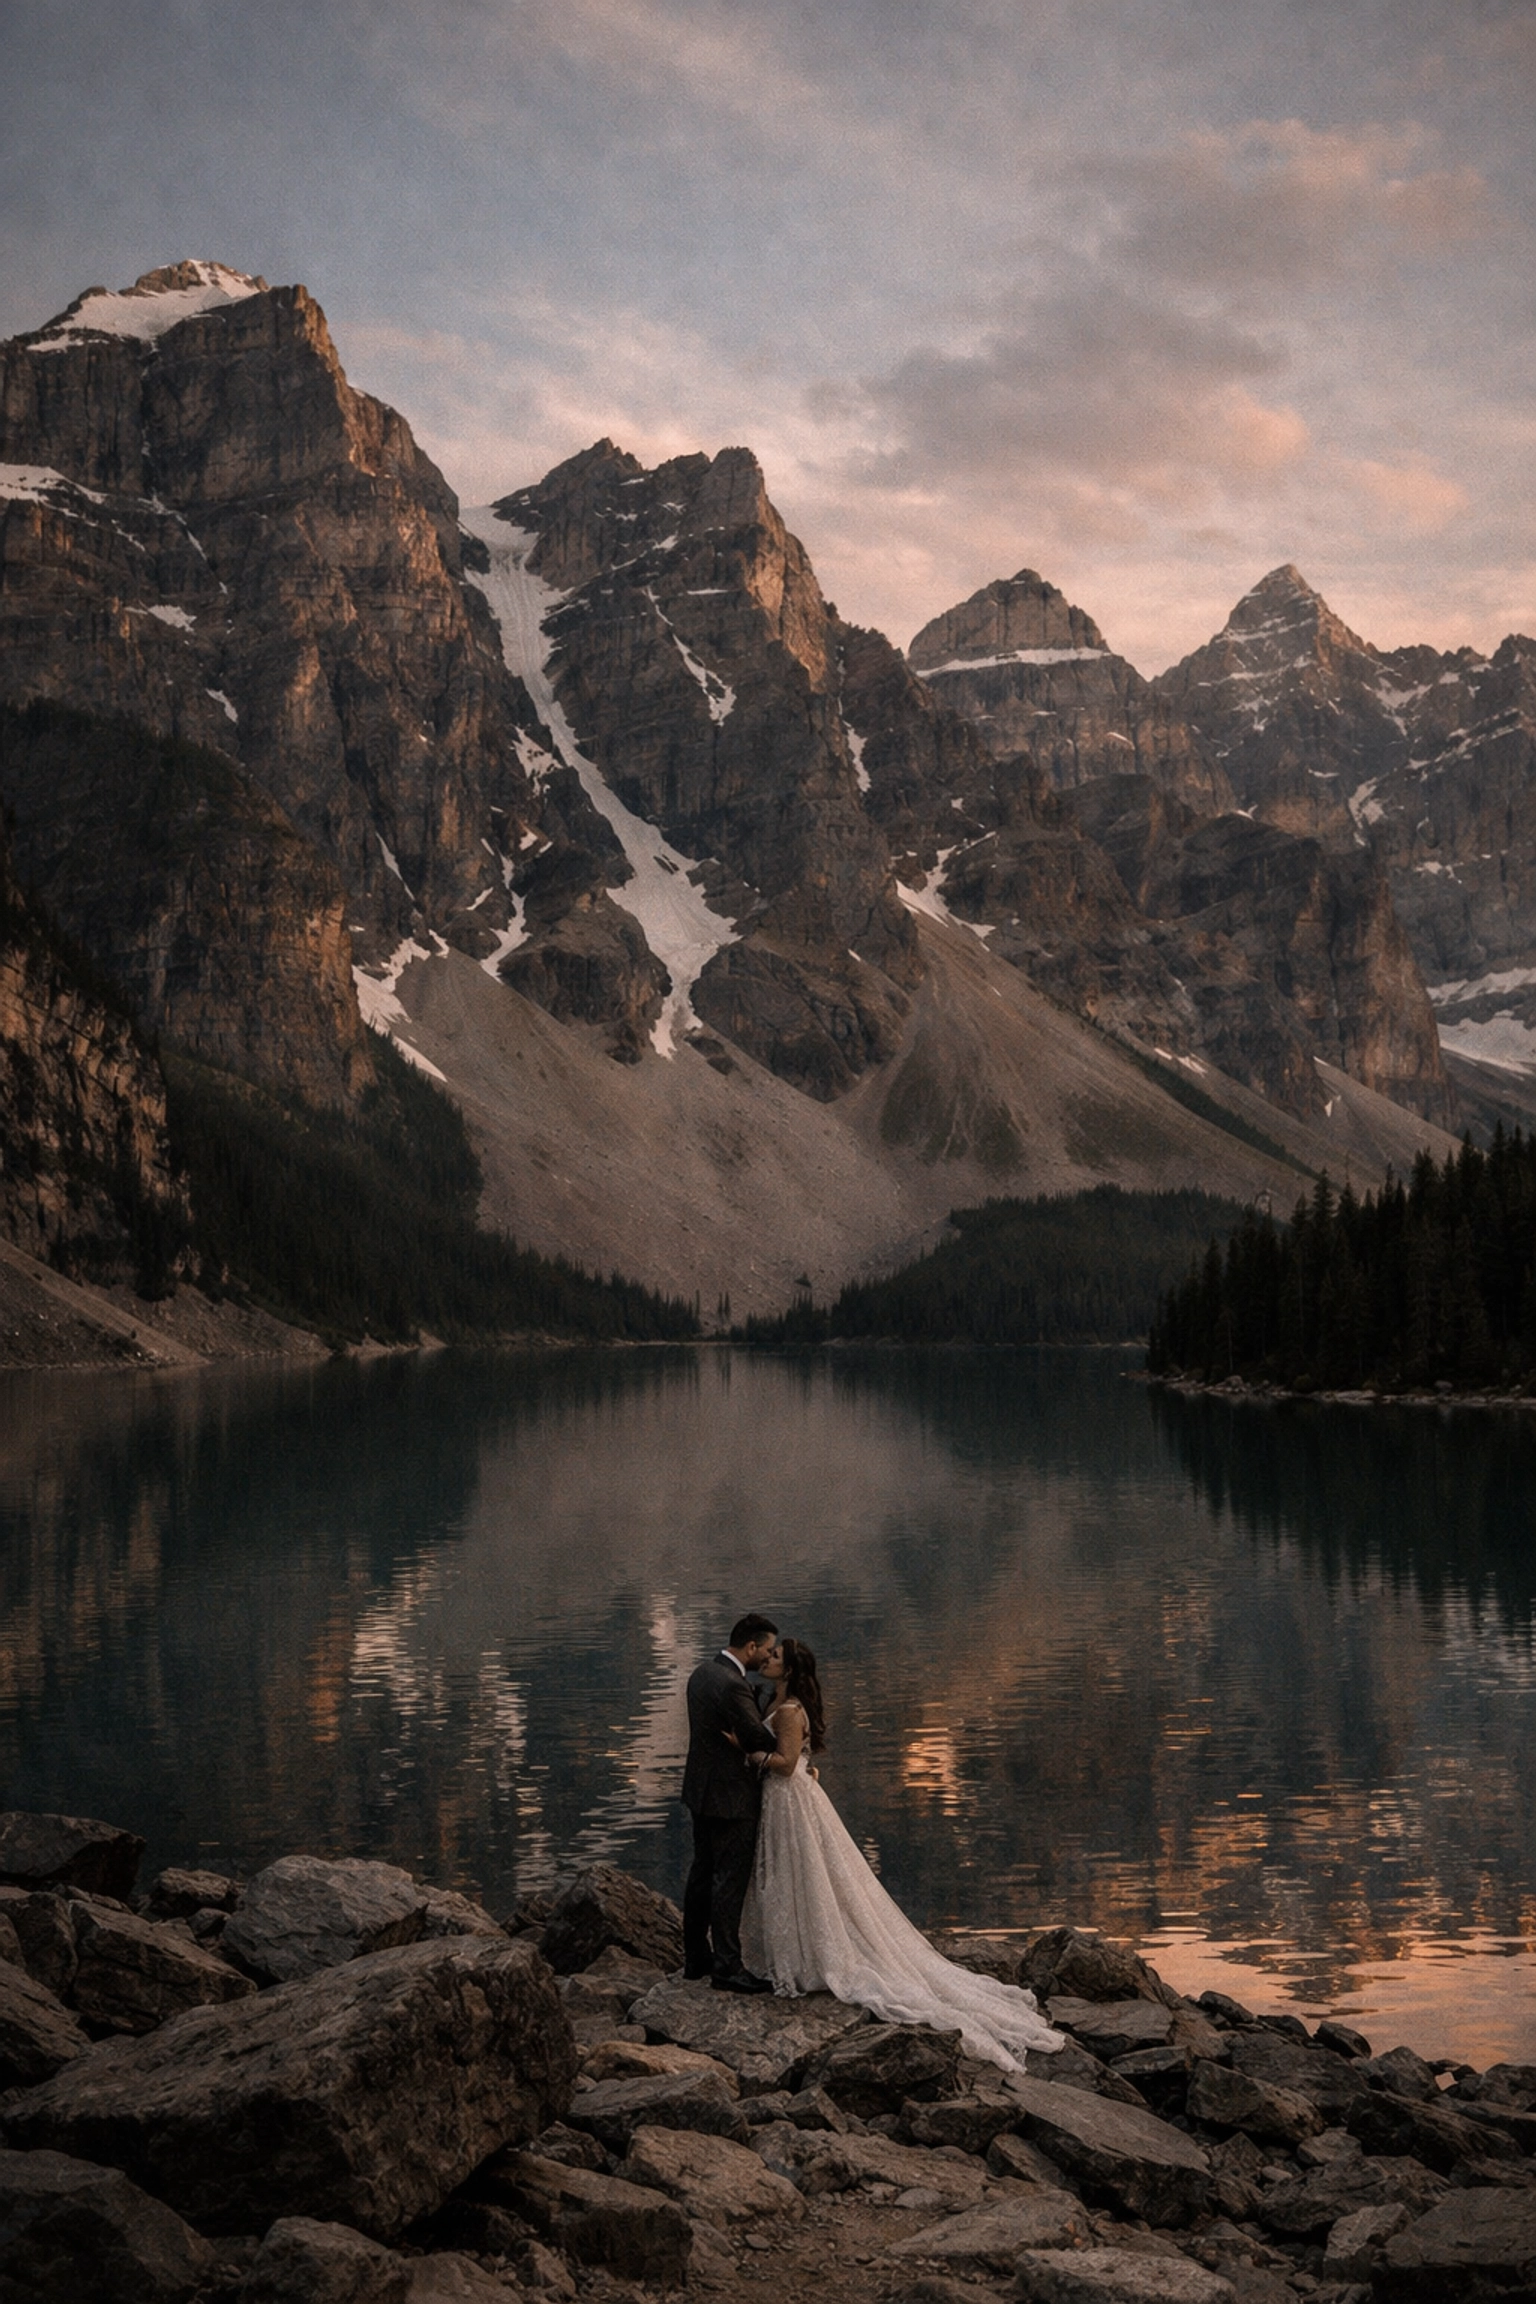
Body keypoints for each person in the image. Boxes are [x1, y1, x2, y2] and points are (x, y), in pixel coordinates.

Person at [739, 1637, 1063, 2069]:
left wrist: (748, 1754)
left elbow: (783, 1762)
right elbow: (800, 1759)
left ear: (792, 1670)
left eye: (776, 1656)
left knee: (802, 1873)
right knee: (796, 1874)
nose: (768, 1658)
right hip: (788, 1800)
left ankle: (808, 1956)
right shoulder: (782, 1703)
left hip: (788, 1799)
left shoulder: (790, 1710)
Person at [680, 1612, 780, 1992]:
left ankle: (695, 1958)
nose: (768, 1658)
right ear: (751, 1646)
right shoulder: (733, 1685)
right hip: (732, 1798)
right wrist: (787, 1741)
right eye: (767, 1650)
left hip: (701, 1791)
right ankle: (727, 1966)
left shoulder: (703, 1673)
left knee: (702, 1874)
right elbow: (758, 1738)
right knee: (729, 1880)